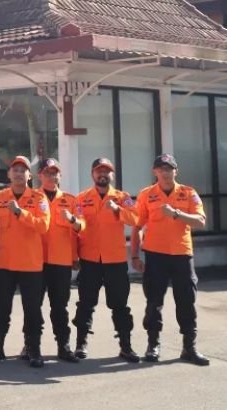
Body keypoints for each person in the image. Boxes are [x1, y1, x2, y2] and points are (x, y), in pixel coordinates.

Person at [131, 154, 209, 365]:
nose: (165, 173)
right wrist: (135, 255)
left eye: (169, 169)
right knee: (153, 302)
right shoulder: (146, 195)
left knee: (186, 301)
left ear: (176, 171)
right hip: (155, 255)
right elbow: (137, 226)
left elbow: (201, 221)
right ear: (155, 172)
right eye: (161, 169)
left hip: (182, 254)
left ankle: (189, 347)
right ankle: (153, 345)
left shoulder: (188, 193)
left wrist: (176, 214)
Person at [0, 156, 50, 368]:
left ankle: (33, 350)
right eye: (15, 170)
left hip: (31, 264)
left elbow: (43, 226)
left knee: (32, 311)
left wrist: (21, 213)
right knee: (0, 309)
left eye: (23, 170)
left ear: (29, 175)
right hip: (5, 264)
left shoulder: (39, 198)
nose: (19, 173)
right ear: (9, 174)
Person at [72, 157, 139, 362]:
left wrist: (118, 209)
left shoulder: (122, 197)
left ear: (112, 175)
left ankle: (126, 346)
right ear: (92, 174)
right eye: (99, 171)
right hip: (90, 259)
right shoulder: (82, 198)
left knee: (120, 305)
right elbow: (77, 226)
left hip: (115, 260)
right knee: (85, 303)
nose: (102, 174)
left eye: (106, 171)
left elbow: (136, 219)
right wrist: (74, 255)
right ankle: (81, 343)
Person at [35, 158, 86, 363]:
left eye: (55, 173)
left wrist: (72, 220)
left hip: (61, 262)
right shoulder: (31, 198)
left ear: (60, 176)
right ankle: (31, 345)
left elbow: (81, 227)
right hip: (35, 261)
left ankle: (63, 346)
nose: (51, 176)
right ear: (40, 176)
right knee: (33, 306)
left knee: (60, 307)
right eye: (47, 172)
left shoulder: (71, 200)